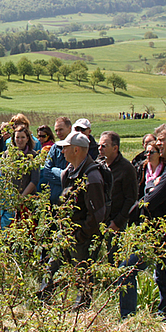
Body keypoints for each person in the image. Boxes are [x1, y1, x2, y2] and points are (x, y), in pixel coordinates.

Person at [119, 122, 166, 322]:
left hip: (161, 236)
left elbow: (147, 203)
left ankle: (128, 319)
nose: (158, 145)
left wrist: (126, 215)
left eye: (162, 140)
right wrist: (154, 186)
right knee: (163, 274)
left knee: (126, 270)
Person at [43, 130, 108, 308]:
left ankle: (82, 309)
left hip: (80, 236)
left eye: (66, 148)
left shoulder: (92, 176)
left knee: (83, 272)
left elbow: (97, 215)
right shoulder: (70, 171)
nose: (62, 151)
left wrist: (80, 235)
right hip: (66, 231)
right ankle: (43, 298)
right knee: (52, 264)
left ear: (77, 150)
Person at [98, 131, 138, 233]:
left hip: (115, 222)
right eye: (99, 145)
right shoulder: (99, 164)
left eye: (104, 146)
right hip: (99, 220)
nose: (100, 148)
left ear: (115, 148)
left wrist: (117, 223)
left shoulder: (127, 169)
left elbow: (131, 198)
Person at [39, 117, 71, 205]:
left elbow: (74, 175)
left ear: (70, 128)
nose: (58, 133)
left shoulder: (75, 147)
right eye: (56, 130)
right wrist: (65, 177)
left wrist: (55, 171)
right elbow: (47, 172)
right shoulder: (55, 148)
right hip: (54, 200)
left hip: (70, 201)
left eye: (61, 130)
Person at [10, 126, 40, 198]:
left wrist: (22, 197)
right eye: (17, 137)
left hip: (27, 197)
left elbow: (35, 180)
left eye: (23, 137)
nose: (20, 140)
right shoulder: (7, 155)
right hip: (9, 198)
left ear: (27, 139)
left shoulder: (33, 156)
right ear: (14, 139)